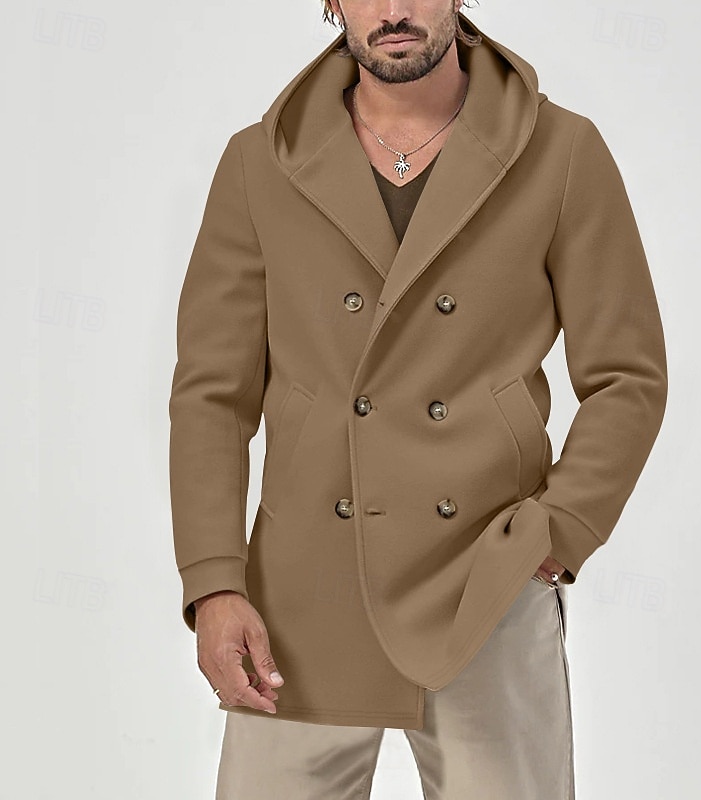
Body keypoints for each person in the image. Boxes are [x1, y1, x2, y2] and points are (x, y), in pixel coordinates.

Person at [168, 2, 668, 797]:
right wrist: (215, 584)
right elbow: (212, 395)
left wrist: (559, 529)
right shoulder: (259, 162)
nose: (394, 10)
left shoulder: (561, 150)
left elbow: (628, 376)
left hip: (486, 583)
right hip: (302, 598)